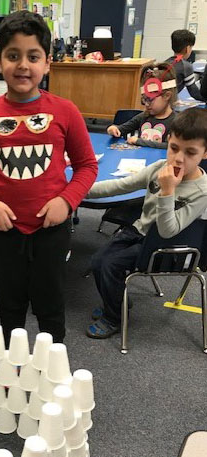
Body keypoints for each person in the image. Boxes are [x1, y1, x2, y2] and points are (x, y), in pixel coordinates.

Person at [0, 10, 98, 345]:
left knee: (51, 307)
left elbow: (86, 166)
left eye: (33, 56)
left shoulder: (65, 111)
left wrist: (66, 201)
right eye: (13, 56)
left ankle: (54, 373)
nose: (23, 65)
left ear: (47, 63)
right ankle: (13, 376)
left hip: (51, 231)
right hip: (4, 233)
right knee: (10, 308)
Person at [86, 107, 207, 339]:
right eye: (173, 148)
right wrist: (78, 191)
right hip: (140, 232)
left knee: (110, 264)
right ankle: (118, 300)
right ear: (168, 141)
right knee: (98, 261)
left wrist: (168, 191)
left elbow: (167, 230)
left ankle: (114, 317)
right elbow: (120, 185)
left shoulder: (201, 190)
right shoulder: (159, 169)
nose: (178, 158)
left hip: (167, 247)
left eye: (190, 152)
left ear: (205, 153)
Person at [107, 63, 177, 149]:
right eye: (144, 99)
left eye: (150, 99)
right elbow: (121, 129)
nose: (147, 104)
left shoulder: (176, 122)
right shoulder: (144, 116)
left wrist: (139, 141)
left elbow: (169, 146)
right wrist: (113, 129)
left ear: (167, 96)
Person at [166, 29, 205, 102]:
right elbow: (194, 92)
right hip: (166, 106)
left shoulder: (165, 63)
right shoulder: (186, 66)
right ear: (187, 49)